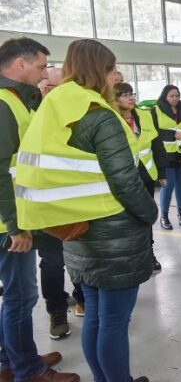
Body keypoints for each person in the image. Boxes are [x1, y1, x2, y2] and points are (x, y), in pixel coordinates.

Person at [14, 39, 156, 382]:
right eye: (111, 69)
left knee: (94, 316)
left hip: (75, 228)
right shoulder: (98, 114)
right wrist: (150, 213)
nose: (114, 76)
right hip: (113, 233)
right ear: (99, 70)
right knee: (115, 321)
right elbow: (125, 180)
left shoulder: (56, 103)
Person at [0, 38, 79, 382]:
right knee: (20, 298)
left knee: (13, 298)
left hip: (13, 217)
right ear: (20, 64)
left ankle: (11, 361)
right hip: (8, 223)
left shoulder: (17, 99)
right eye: (41, 66)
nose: (45, 73)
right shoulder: (4, 103)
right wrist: (16, 226)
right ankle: (28, 371)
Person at [34, 66, 86, 340]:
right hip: (47, 205)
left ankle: (82, 298)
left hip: (76, 201)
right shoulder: (31, 116)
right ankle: (56, 312)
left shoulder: (76, 114)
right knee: (53, 262)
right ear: (45, 88)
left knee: (81, 257)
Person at [114, 82, 167, 271]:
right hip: (123, 178)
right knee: (126, 220)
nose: (130, 98)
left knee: (145, 217)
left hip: (146, 175)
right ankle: (129, 258)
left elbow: (157, 144)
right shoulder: (110, 118)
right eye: (124, 95)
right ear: (114, 99)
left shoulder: (144, 116)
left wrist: (162, 172)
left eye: (132, 94)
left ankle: (149, 254)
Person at [151, 85, 181, 229]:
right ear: (165, 96)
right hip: (165, 154)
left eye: (177, 96)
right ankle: (164, 216)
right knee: (168, 185)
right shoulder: (156, 110)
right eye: (171, 96)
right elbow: (153, 132)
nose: (174, 98)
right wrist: (173, 134)